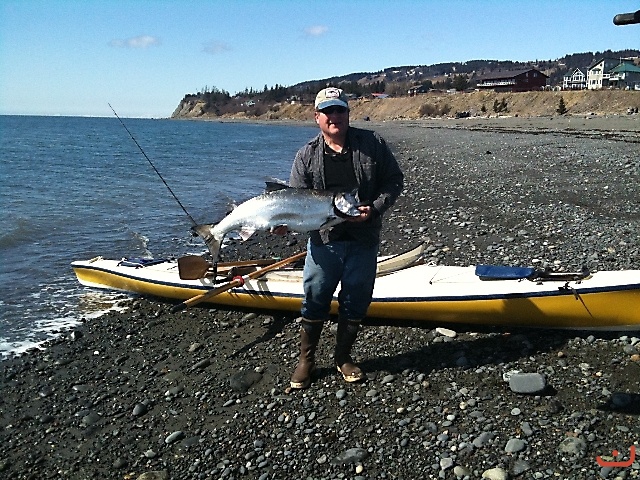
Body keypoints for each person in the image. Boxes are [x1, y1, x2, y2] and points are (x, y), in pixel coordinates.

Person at [277, 87, 404, 389]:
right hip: (324, 242)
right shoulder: (306, 155)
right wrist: (282, 224)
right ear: (317, 117)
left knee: (356, 299)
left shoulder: (373, 144)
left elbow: (394, 181)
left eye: (340, 110)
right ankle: (306, 360)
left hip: (364, 239)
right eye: (328, 111)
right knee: (315, 298)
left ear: (348, 113)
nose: (334, 116)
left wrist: (373, 210)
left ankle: (342, 357)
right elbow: (294, 202)